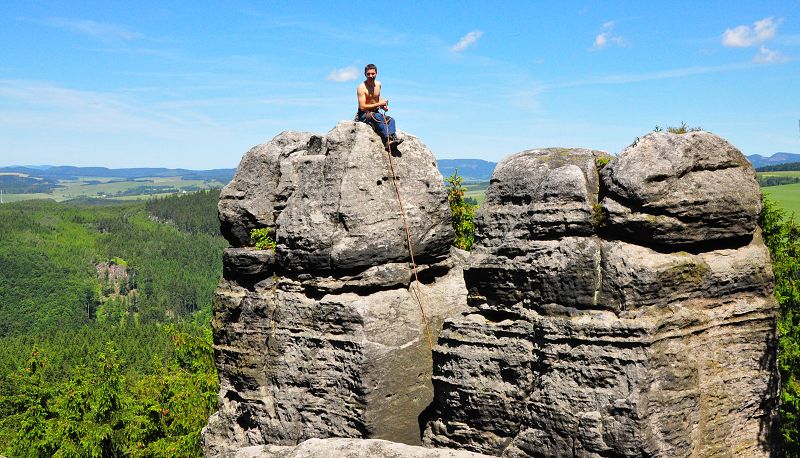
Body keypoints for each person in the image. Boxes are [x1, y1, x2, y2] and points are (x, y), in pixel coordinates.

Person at [356, 64, 403, 150]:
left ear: (376, 73)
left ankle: (392, 138)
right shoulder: (361, 87)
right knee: (377, 117)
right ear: (365, 74)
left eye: (373, 73)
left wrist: (383, 106)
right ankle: (387, 140)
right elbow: (362, 107)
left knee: (391, 120)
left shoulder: (378, 85)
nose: (371, 76)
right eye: (368, 74)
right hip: (364, 114)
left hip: (375, 111)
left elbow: (377, 97)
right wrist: (379, 104)